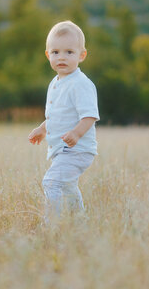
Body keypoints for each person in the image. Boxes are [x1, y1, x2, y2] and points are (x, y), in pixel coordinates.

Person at [28, 20, 99, 220]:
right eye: (56, 52)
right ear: (47, 55)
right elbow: (56, 114)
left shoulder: (80, 83)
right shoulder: (56, 82)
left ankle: (52, 226)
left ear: (81, 55)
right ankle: (79, 221)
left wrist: (77, 133)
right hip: (63, 149)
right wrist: (42, 129)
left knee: (51, 182)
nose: (62, 57)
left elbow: (90, 115)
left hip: (77, 149)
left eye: (69, 52)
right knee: (67, 186)